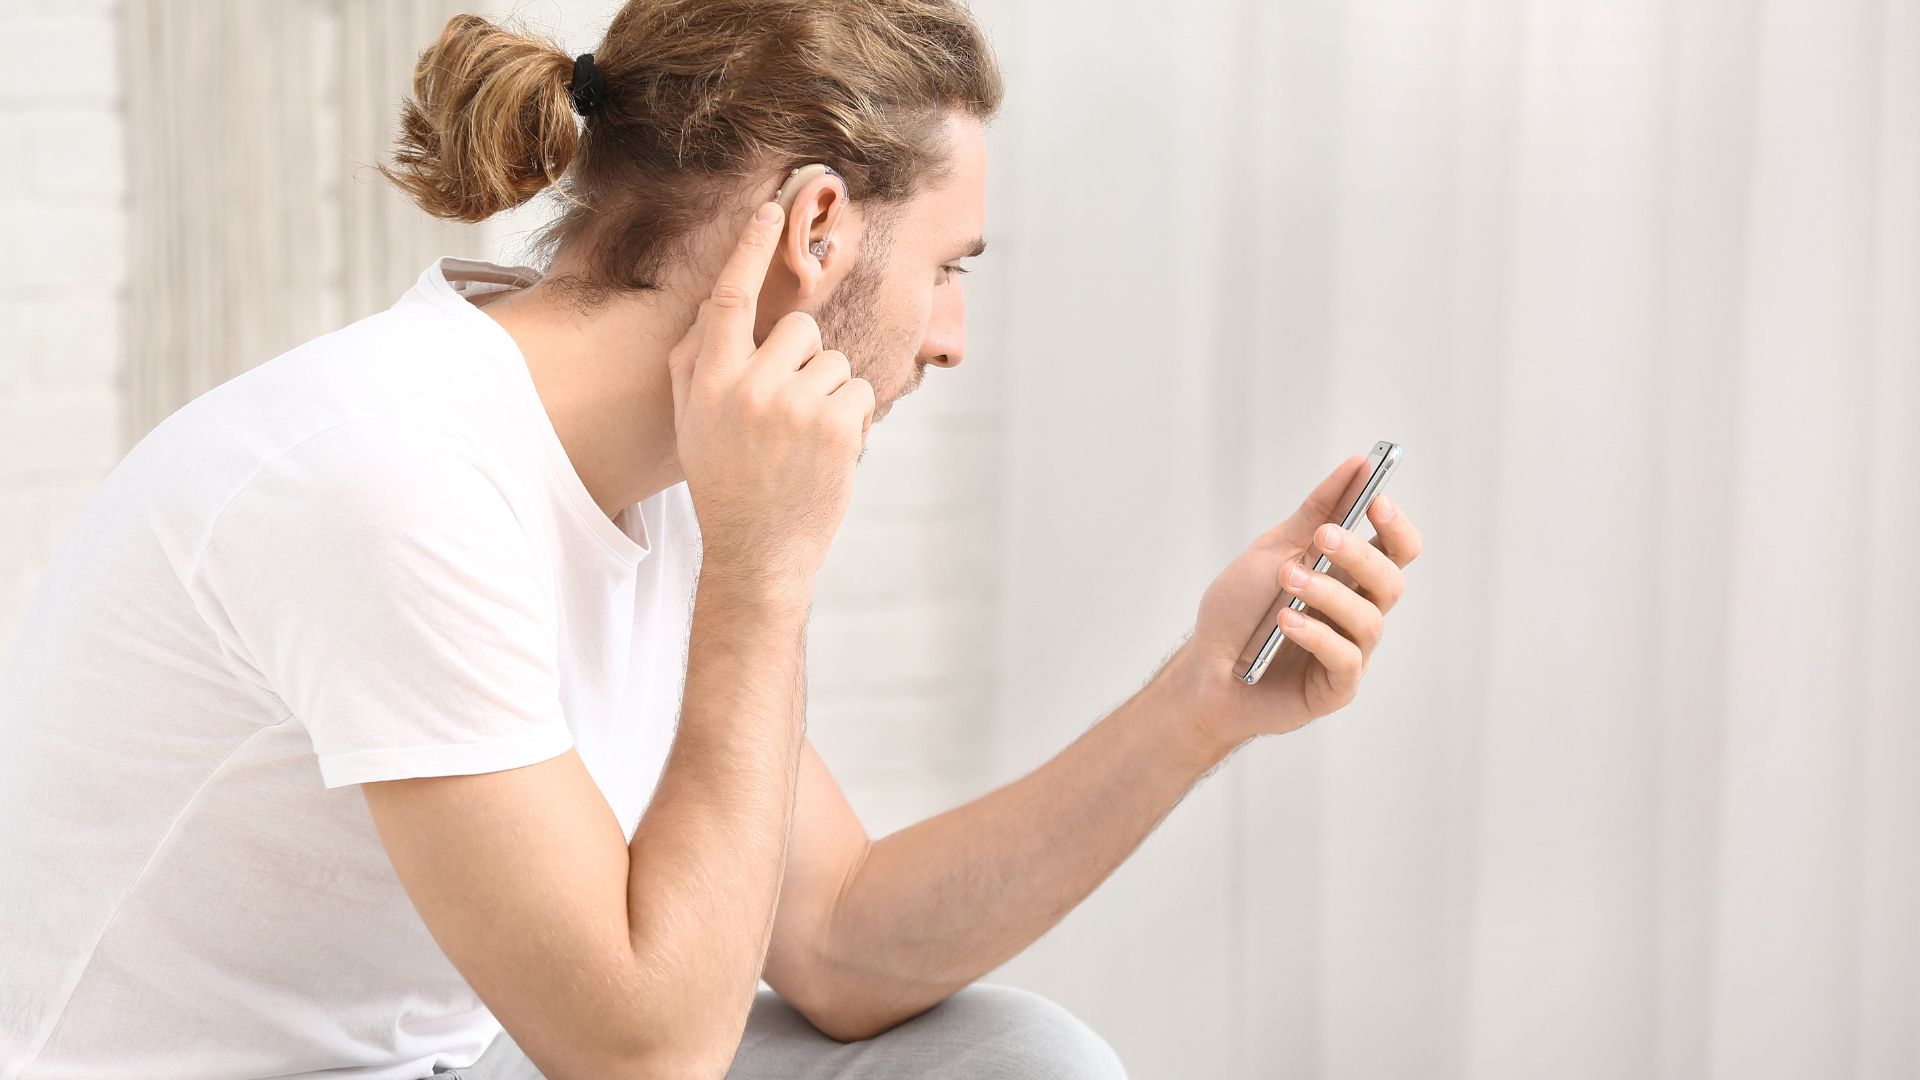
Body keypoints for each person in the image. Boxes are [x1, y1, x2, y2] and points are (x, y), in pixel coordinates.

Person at [0, 2, 1424, 1078]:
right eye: (946, 269)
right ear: (818, 226)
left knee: (1016, 1058)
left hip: (441, 1062)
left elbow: (840, 941)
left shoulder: (675, 472)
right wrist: (762, 572)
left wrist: (1198, 706)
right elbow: (642, 1058)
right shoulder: (394, 478)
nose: (950, 339)